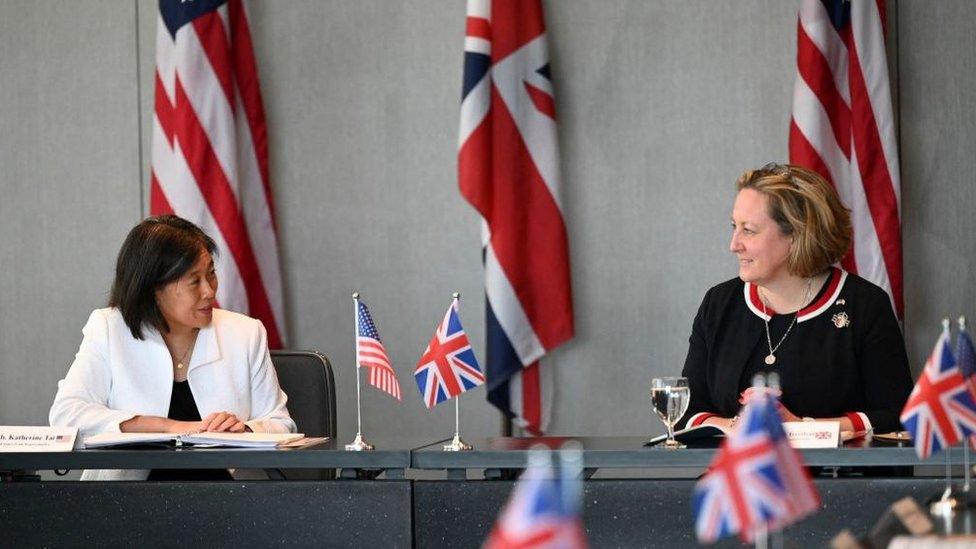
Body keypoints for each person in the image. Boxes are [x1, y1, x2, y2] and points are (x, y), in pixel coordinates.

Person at [50, 215, 295, 480]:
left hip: (228, 503)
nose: (209, 291)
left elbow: (282, 424)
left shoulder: (245, 333)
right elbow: (66, 417)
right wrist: (168, 427)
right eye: (194, 281)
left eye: (211, 274)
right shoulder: (108, 329)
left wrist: (245, 431)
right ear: (154, 288)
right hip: (125, 506)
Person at [678, 163, 912, 435]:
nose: (734, 245)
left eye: (749, 230)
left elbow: (897, 415)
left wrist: (800, 429)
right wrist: (737, 426)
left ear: (797, 234)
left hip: (833, 476)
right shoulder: (718, 303)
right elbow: (685, 412)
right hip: (734, 475)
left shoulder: (865, 305)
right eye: (734, 226)